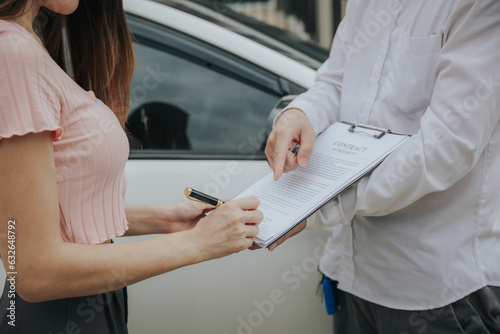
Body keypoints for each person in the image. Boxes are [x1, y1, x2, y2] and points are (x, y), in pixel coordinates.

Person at [0, 1, 263, 333]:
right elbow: (33, 271)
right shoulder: (11, 51)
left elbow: (58, 211)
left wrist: (163, 218)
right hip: (59, 312)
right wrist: (197, 244)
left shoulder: (24, 42)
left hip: (83, 299)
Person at [265, 0, 500, 333]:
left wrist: (319, 203)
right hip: (350, 275)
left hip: (437, 295)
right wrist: (299, 114)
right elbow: (334, 84)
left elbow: (444, 148)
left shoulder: (481, 8)